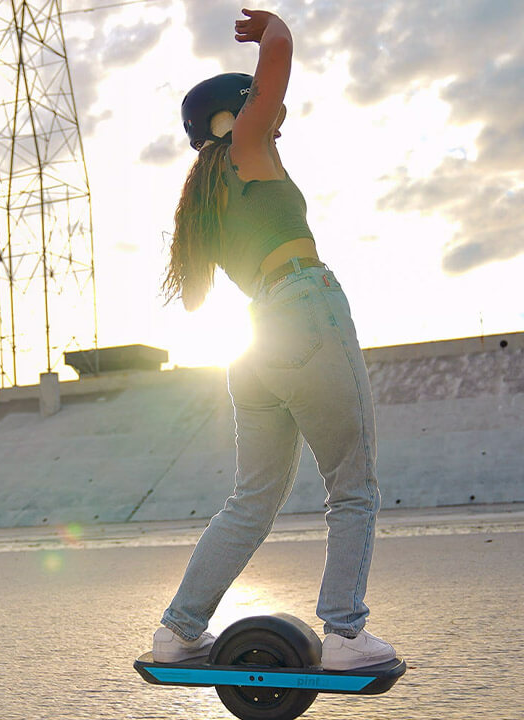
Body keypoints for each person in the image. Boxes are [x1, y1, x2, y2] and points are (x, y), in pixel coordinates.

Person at [151, 8, 397, 671]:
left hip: (256, 341)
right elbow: (277, 67)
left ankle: (179, 631)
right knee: (353, 486)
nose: (277, 127)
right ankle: (345, 634)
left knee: (252, 500)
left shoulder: (206, 196)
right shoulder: (247, 150)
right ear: (238, 116)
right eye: (265, 116)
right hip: (304, 312)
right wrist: (274, 26)